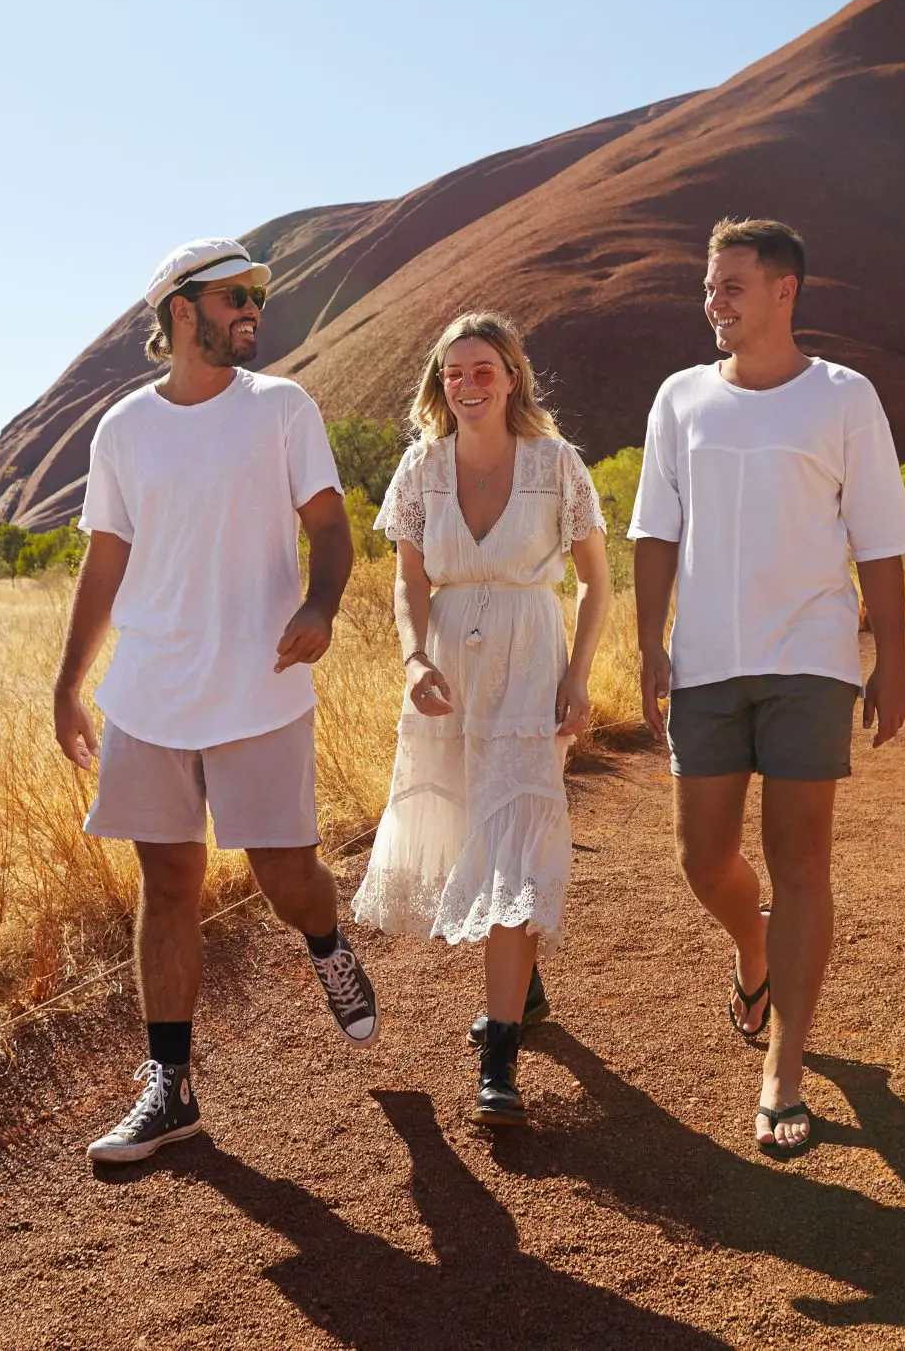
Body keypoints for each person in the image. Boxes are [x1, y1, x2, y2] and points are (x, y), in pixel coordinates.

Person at [55, 237, 379, 1165]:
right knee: (169, 884)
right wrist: (70, 682)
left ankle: (326, 940)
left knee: (286, 879)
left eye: (257, 297)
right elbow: (104, 557)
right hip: (150, 692)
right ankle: (171, 1086)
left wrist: (320, 604)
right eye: (235, 295)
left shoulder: (282, 407)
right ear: (180, 310)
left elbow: (328, 525)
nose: (252, 310)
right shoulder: (121, 428)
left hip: (261, 685)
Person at [629, 216, 905, 1160]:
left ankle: (784, 1070)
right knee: (700, 858)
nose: (713, 303)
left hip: (812, 659)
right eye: (710, 288)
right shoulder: (680, 398)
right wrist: (646, 648)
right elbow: (653, 533)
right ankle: (754, 949)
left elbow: (878, 533)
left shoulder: (843, 397)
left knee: (802, 863)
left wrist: (895, 659)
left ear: (784, 291)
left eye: (731, 287)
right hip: (706, 660)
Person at [352, 312, 611, 1129]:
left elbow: (598, 583)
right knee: (474, 825)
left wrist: (577, 676)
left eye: (483, 370)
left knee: (516, 834)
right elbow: (409, 584)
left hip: (531, 663)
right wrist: (413, 658)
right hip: (447, 675)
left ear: (512, 376)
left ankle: (497, 1054)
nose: (468, 386)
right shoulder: (421, 468)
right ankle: (522, 989)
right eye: (453, 373)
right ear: (440, 384)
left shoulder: (555, 463)